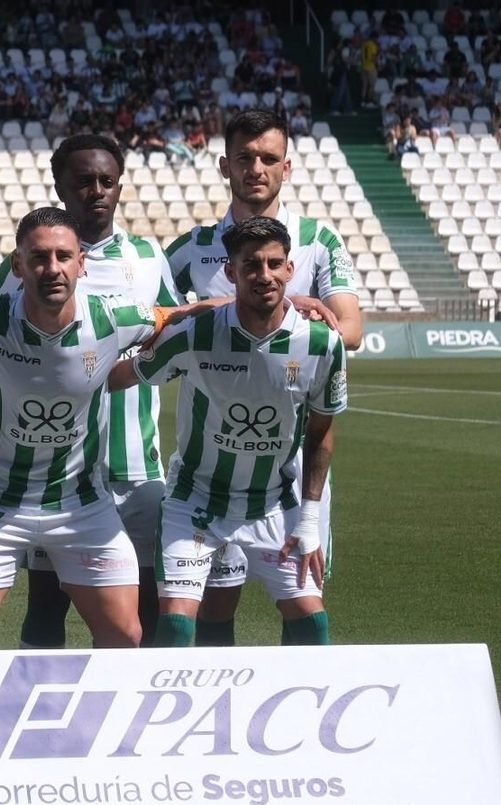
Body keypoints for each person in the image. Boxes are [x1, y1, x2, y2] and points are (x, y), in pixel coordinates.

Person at [0, 207, 201, 650]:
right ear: (18, 265)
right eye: (39, 257)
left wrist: (289, 304)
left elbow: (180, 315)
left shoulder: (115, 318)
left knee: (126, 635)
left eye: (64, 257)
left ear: (81, 264)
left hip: (81, 503)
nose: (52, 268)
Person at [165, 108, 361, 646]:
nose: (257, 167)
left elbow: (350, 329)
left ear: (287, 167)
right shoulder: (191, 248)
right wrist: (235, 306)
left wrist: (285, 311)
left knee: (298, 588)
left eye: (269, 158)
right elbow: (156, 328)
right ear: (225, 166)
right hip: (214, 452)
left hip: (293, 458)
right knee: (216, 597)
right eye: (246, 158)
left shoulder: (317, 240)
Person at [114, 216, 345, 646]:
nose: (265, 275)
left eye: (275, 264)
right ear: (232, 272)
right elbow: (126, 374)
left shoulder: (320, 343)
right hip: (195, 500)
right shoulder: (196, 334)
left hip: (273, 504)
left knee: (313, 625)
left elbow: (320, 436)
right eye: (252, 265)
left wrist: (309, 521)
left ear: (290, 270)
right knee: (177, 625)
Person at [11, 134, 180, 651]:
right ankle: (41, 723)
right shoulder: (32, 261)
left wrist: (132, 371)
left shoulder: (148, 257)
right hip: (55, 469)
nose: (97, 191)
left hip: (134, 467)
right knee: (47, 604)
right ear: (61, 186)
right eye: (83, 181)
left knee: (141, 609)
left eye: (107, 180)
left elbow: (174, 336)